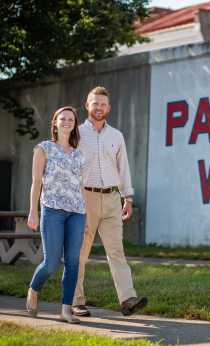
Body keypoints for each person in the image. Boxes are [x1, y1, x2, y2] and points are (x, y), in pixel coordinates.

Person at [72, 86, 147, 317]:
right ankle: (76, 301)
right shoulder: (75, 133)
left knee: (116, 251)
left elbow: (123, 168)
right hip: (85, 197)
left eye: (103, 104)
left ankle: (127, 299)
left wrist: (128, 197)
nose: (99, 108)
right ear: (87, 105)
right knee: (80, 252)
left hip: (113, 198)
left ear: (109, 108)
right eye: (95, 103)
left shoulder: (116, 136)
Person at [26, 106, 86, 324]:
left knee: (73, 262)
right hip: (52, 210)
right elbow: (36, 182)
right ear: (55, 122)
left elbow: (80, 186)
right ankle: (34, 288)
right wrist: (33, 211)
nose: (67, 122)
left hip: (77, 213)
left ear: (75, 124)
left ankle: (66, 310)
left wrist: (85, 215)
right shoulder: (44, 148)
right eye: (63, 118)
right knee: (51, 263)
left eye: (71, 119)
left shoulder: (79, 154)